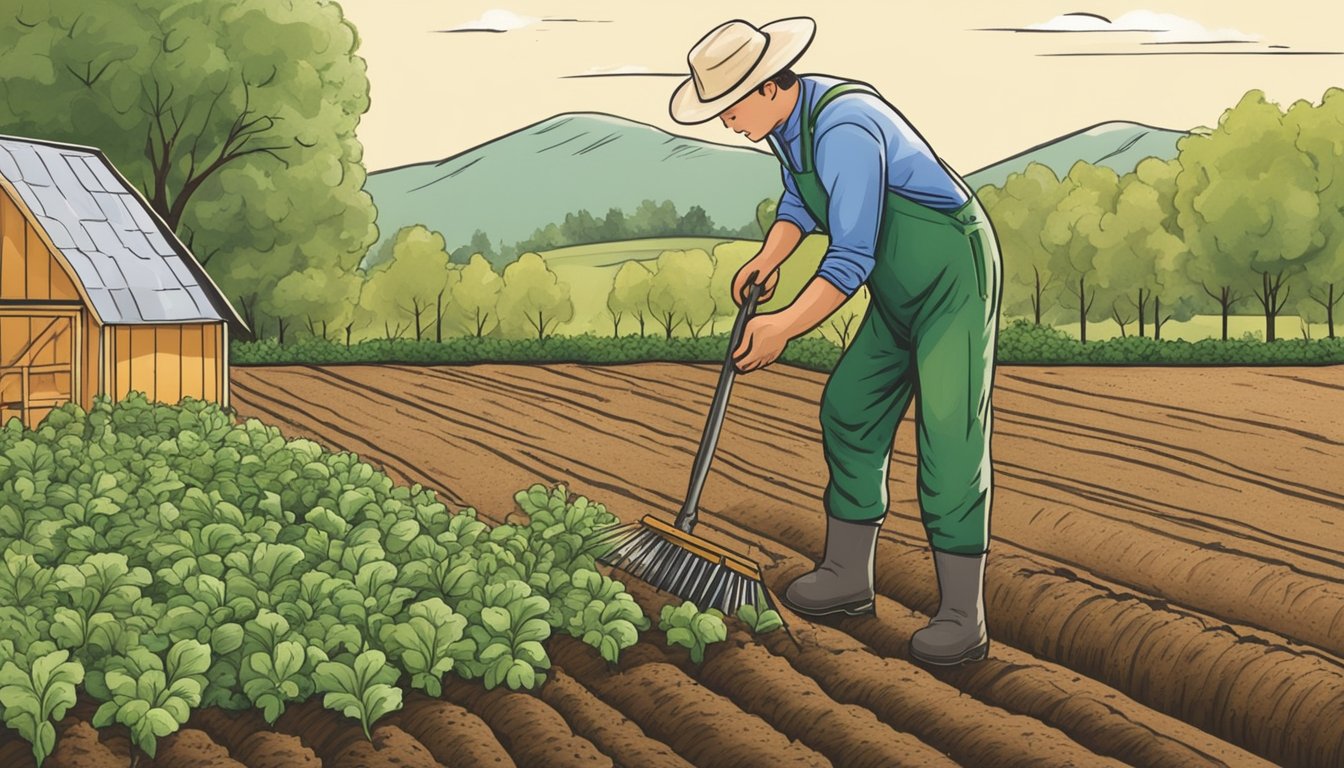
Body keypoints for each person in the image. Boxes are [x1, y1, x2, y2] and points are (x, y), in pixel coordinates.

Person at [668, 17, 1003, 666]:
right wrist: (771, 256)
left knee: (949, 434)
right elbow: (801, 201)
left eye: (729, 107)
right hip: (900, 290)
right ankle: (849, 578)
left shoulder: (845, 128)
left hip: (951, 278)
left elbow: (850, 257)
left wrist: (782, 327)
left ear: (769, 87)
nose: (725, 122)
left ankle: (964, 617)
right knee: (850, 409)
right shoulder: (787, 129)